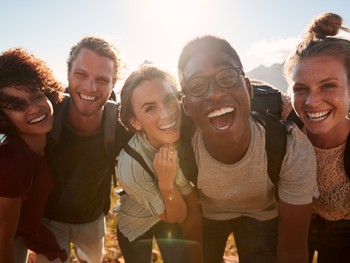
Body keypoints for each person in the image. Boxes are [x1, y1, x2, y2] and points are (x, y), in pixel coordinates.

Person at [177, 35, 319, 263]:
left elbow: (292, 249)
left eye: (226, 77)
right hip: (208, 216)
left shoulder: (289, 146)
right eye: (196, 86)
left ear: (248, 88)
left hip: (262, 215)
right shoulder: (180, 148)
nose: (214, 93)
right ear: (185, 106)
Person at [37, 35, 129, 263]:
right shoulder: (47, 115)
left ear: (112, 84)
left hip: (92, 222)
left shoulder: (120, 124)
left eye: (101, 79)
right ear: (68, 74)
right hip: (47, 221)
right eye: (81, 74)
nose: (90, 87)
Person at [116, 65, 202, 263]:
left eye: (169, 100)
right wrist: (165, 183)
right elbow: (176, 216)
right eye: (150, 108)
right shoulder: (130, 168)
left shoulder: (188, 123)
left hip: (169, 214)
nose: (166, 114)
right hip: (136, 224)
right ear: (135, 122)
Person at [283, 12, 350, 263]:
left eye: (329, 86)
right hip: (291, 225)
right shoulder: (284, 118)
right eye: (300, 89)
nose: (311, 103)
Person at [0, 48, 66, 262]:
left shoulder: (46, 142)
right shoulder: (13, 162)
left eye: (37, 96)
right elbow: (2, 242)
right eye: (17, 106)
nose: (34, 109)